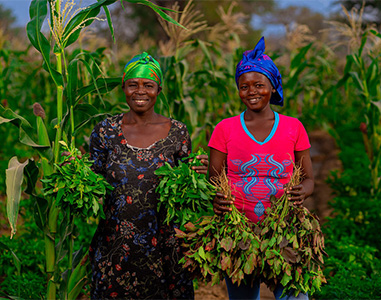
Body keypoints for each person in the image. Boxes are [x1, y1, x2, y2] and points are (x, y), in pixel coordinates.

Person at [88, 52, 208, 299]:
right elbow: (93, 179)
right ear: (123, 88)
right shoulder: (105, 131)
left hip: (165, 246)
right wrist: (74, 173)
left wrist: (200, 171)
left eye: (148, 85)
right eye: (133, 85)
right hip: (116, 244)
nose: (140, 91)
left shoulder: (177, 132)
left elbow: (185, 184)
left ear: (159, 90)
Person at [208, 37, 314, 300]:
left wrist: (304, 191)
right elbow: (213, 178)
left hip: (284, 230)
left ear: (272, 87)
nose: (251, 91)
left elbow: (309, 178)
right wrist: (217, 197)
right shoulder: (225, 129)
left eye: (259, 85)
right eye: (244, 86)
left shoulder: (293, 127)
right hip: (238, 232)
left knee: (294, 296)